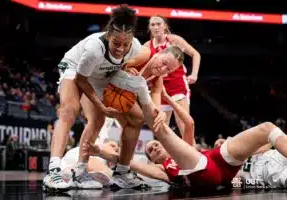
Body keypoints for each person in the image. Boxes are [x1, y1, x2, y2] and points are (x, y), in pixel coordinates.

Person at [95, 76, 287, 188]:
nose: (154, 148)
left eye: (154, 145)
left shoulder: (186, 145)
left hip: (222, 164)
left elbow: (189, 123)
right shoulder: (163, 170)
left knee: (267, 128)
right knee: (160, 127)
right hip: (204, 173)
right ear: (153, 160)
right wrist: (101, 153)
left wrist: (168, 99)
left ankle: (151, 91)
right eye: (151, 151)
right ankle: (144, 90)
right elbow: (131, 163)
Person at [43, 4, 147, 191]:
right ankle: (55, 170)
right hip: (76, 69)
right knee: (71, 111)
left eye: (126, 44)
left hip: (101, 75)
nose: (121, 49)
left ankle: (122, 172)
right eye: (116, 43)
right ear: (108, 35)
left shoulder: (135, 47)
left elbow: (120, 65)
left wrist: (128, 70)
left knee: (137, 118)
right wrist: (101, 105)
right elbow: (81, 80)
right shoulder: (94, 48)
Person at [144, 15, 201, 135]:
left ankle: (192, 153)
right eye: (153, 24)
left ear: (165, 26)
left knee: (184, 126)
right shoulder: (146, 46)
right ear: (150, 28)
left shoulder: (174, 40)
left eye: (159, 24)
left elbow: (196, 54)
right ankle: (167, 154)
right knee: (161, 130)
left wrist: (194, 75)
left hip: (177, 86)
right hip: (158, 90)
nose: (156, 27)